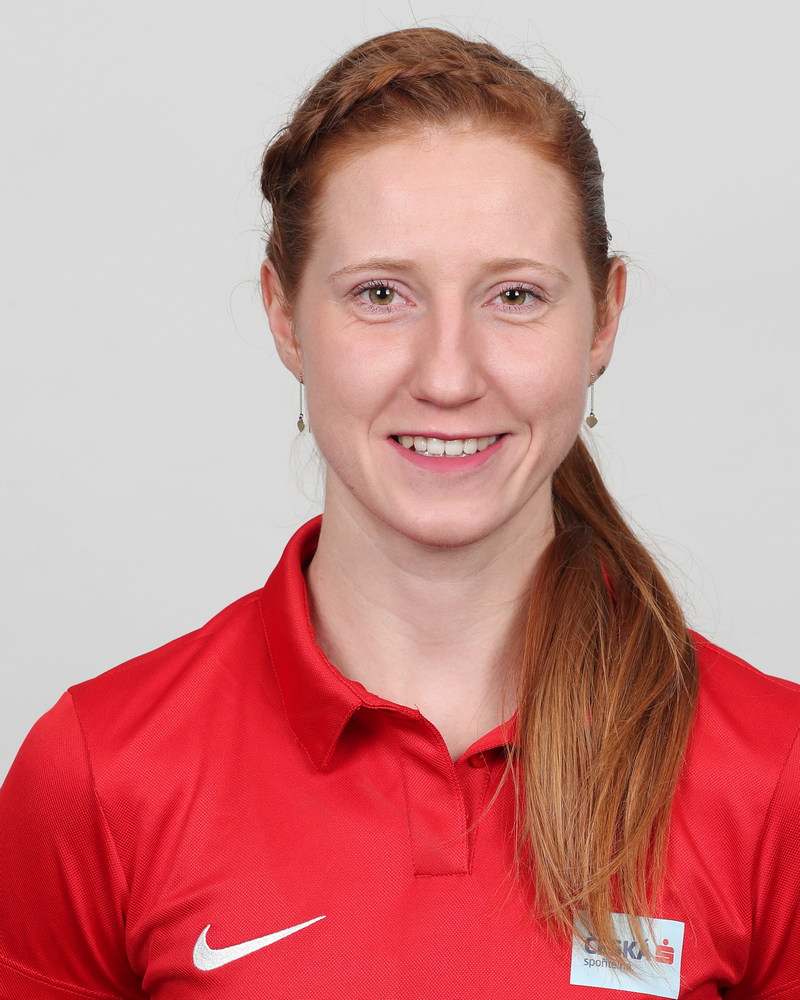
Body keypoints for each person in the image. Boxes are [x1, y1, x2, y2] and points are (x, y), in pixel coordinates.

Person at [0, 27, 797, 1000]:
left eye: (514, 295)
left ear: (604, 318)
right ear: (285, 316)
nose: (448, 375)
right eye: (381, 294)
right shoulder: (98, 773)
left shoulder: (774, 775)